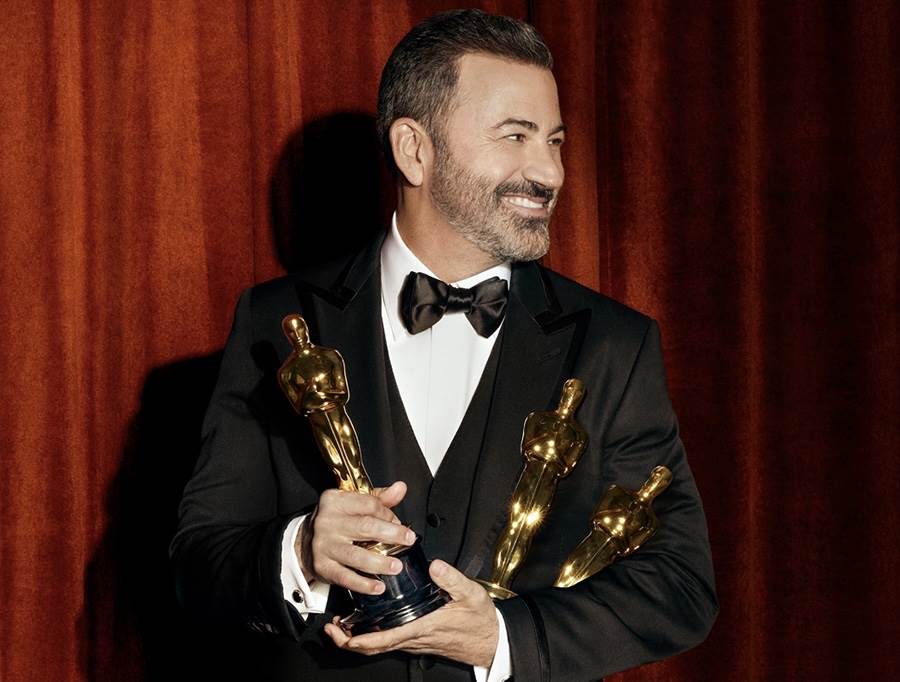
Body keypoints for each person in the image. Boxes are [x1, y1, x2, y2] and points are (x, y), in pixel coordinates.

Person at [172, 9, 717, 682]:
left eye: (553, 141)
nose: (549, 172)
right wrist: (300, 551)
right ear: (414, 150)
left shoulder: (615, 345)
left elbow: (680, 584)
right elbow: (196, 567)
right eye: (515, 136)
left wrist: (503, 639)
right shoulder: (271, 322)